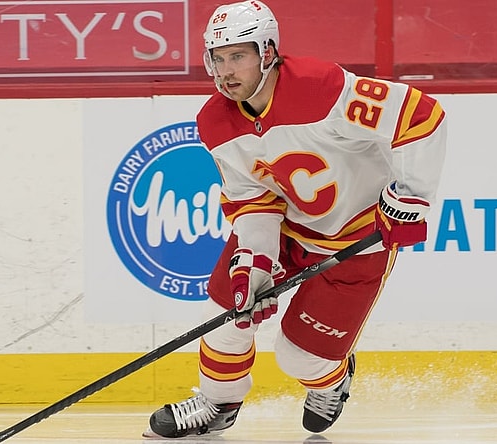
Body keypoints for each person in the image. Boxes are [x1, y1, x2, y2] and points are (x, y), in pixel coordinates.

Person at [144, 0, 446, 438]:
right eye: (218, 57)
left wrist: (412, 195)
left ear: (268, 52)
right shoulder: (215, 121)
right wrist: (257, 261)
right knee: (229, 311)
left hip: (355, 241)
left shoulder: (323, 87)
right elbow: (252, 201)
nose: (226, 71)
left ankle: (332, 377)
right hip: (287, 229)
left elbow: (422, 116)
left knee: (298, 358)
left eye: (238, 56)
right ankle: (217, 402)